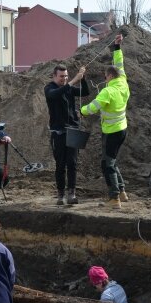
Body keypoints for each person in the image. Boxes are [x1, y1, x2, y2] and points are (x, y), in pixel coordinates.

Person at [81, 33, 130, 209]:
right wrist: (117, 47)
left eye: (105, 76)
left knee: (107, 164)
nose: (104, 78)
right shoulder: (123, 81)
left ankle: (114, 197)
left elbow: (93, 107)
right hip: (122, 129)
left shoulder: (107, 92)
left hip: (111, 132)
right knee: (112, 160)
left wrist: (82, 110)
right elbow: (119, 63)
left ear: (109, 76)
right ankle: (122, 192)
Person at [45, 64, 89, 205]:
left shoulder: (69, 89)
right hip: (58, 133)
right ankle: (60, 195)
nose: (64, 79)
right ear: (54, 76)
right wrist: (74, 80)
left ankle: (72, 193)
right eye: (61, 76)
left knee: (72, 163)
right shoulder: (49, 88)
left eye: (66, 76)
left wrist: (82, 78)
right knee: (60, 164)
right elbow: (56, 95)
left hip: (73, 130)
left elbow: (85, 92)